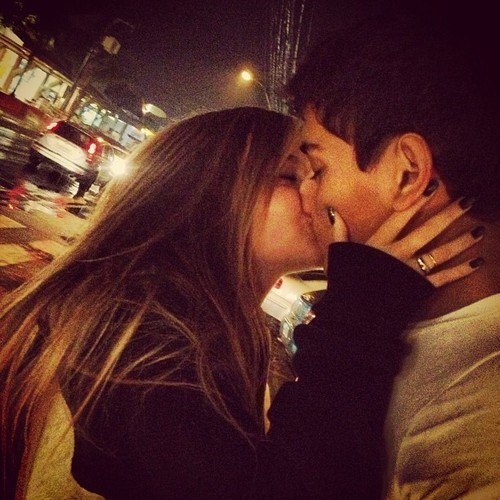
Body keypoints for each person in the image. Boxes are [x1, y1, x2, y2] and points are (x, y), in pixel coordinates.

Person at [0, 107, 480, 499]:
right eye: (291, 176)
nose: (316, 193)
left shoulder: (217, 327)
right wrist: (360, 313)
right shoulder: (135, 332)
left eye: (317, 172)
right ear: (207, 195)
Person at [287, 11, 499, 499]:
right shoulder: (393, 329)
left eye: (317, 169)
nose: (306, 194)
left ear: (407, 174)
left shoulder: (477, 428)